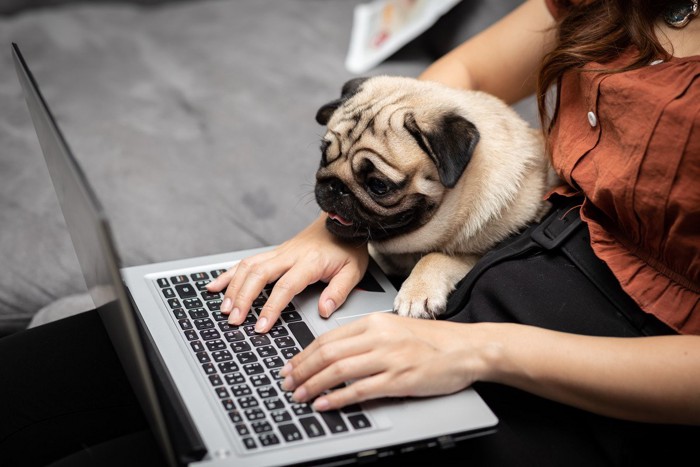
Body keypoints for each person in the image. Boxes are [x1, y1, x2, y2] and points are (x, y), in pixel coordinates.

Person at [1, 0, 698, 466]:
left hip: (591, 380)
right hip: (454, 269)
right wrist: (338, 226)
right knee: (53, 372)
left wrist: (476, 349)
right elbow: (466, 72)